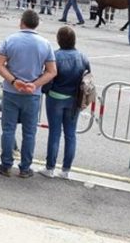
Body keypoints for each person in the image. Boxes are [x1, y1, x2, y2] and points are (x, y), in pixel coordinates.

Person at [0, 10, 57, 178]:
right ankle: (25, 168)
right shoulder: (45, 44)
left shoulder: (10, 40)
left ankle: (6, 164)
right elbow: (52, 71)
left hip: (11, 90)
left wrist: (13, 81)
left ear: (21, 22)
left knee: (8, 130)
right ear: (37, 24)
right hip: (32, 93)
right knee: (29, 132)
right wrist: (34, 84)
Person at [39, 26, 89, 180]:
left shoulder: (55, 56)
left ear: (59, 40)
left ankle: (50, 167)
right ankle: (66, 169)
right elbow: (87, 79)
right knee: (71, 134)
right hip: (74, 99)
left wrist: (46, 90)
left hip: (55, 97)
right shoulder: (82, 57)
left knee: (54, 133)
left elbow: (48, 77)